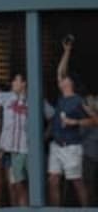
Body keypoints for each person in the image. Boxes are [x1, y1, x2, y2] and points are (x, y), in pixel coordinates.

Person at [48, 39, 94, 206]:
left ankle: (86, 209)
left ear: (71, 83)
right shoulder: (61, 97)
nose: (61, 80)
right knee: (53, 180)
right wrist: (67, 51)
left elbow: (95, 120)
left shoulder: (79, 100)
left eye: (65, 79)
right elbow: (60, 71)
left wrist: (75, 122)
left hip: (72, 146)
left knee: (76, 181)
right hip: (56, 145)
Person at [0, 59, 29, 206]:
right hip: (9, 150)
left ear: (24, 83)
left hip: (26, 149)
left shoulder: (33, 99)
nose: (13, 83)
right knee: (16, 186)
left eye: (16, 80)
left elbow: (50, 118)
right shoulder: (7, 96)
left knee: (22, 186)